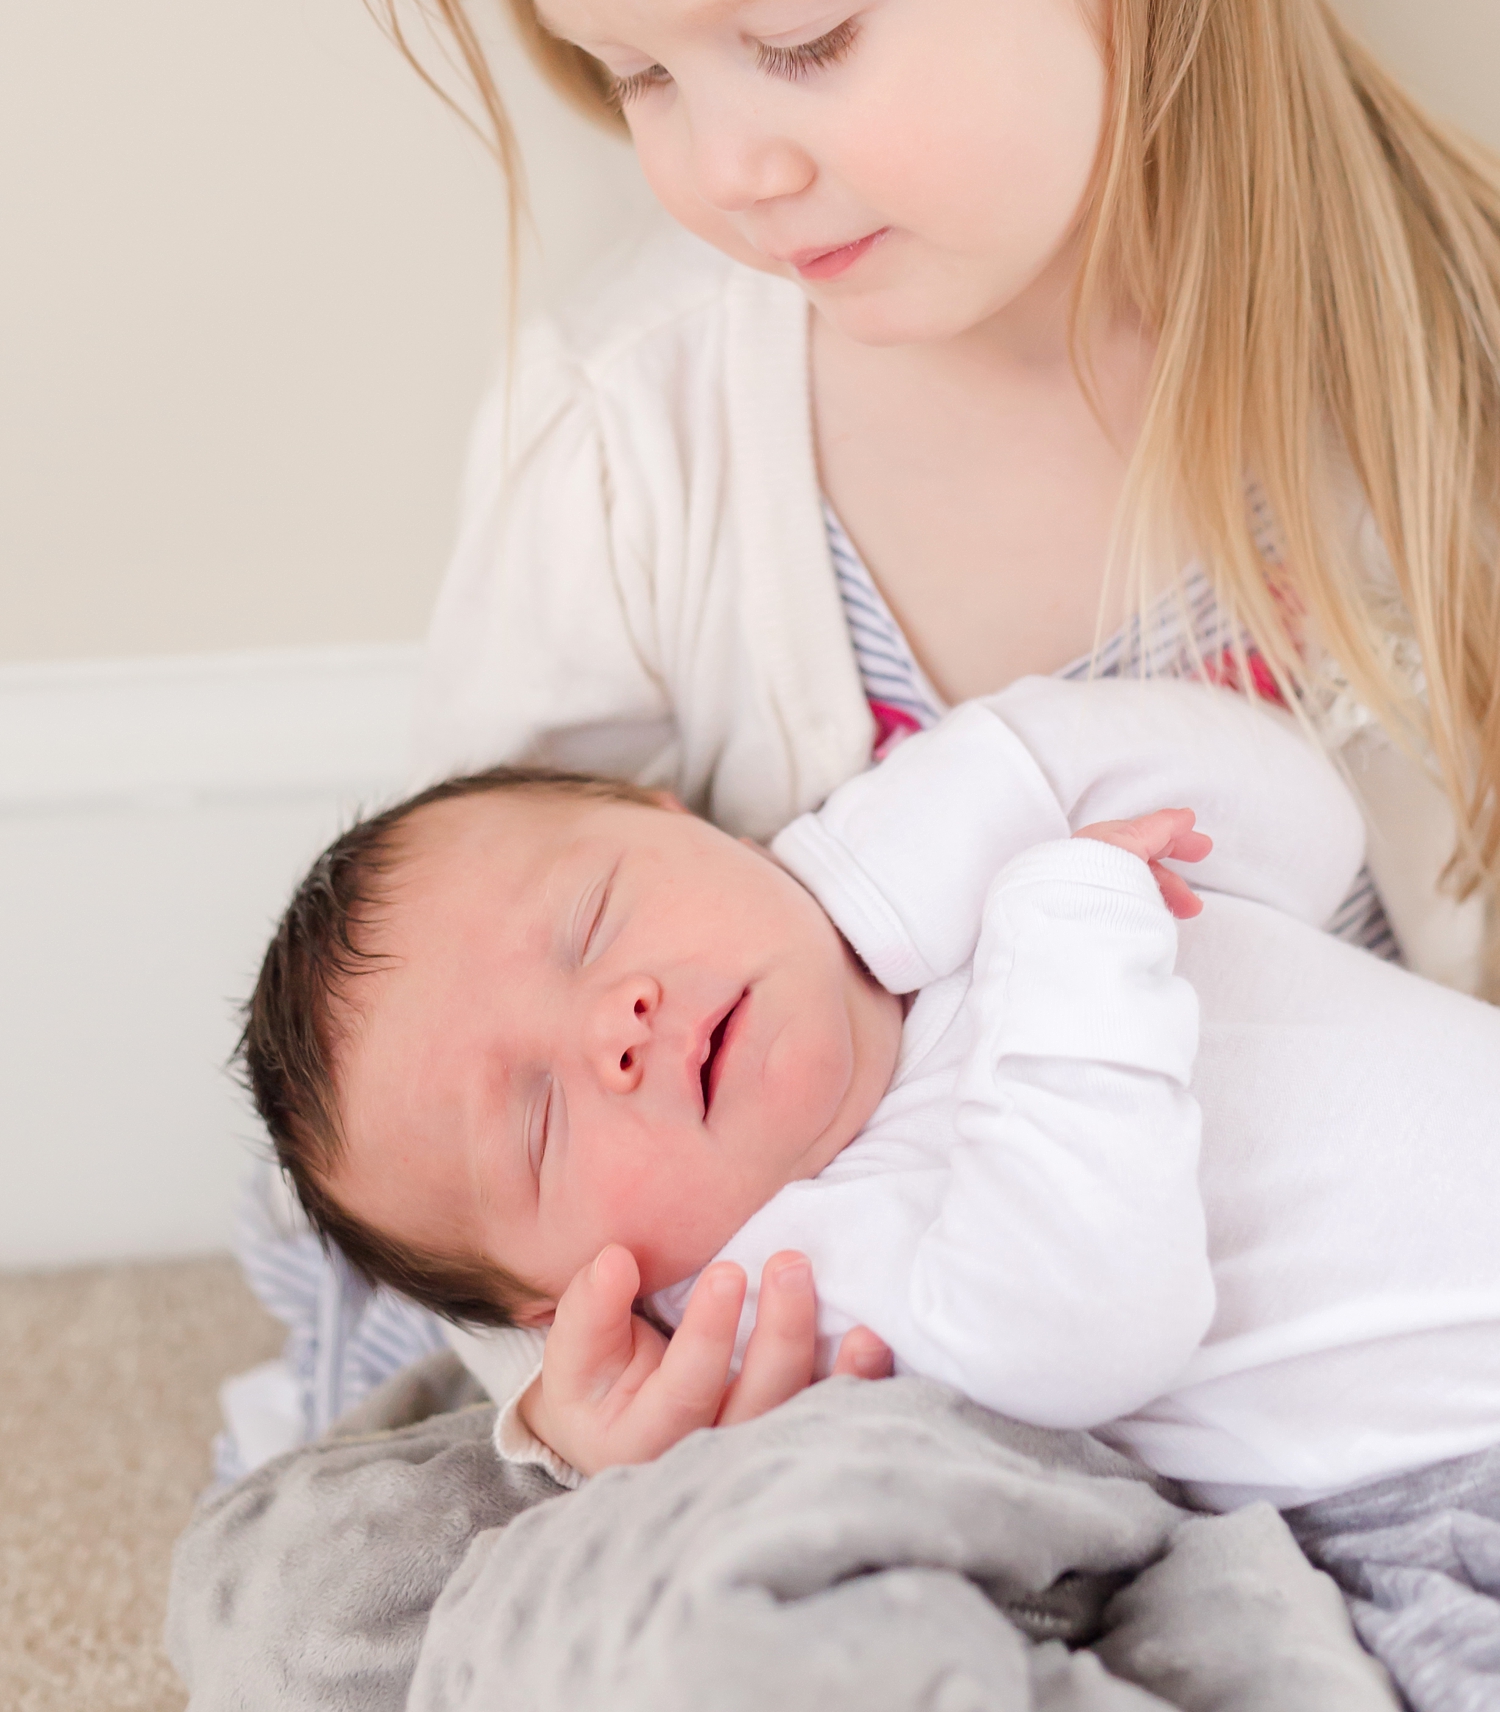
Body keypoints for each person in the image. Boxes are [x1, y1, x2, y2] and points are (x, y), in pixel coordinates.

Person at [229, 0, 1500, 1471]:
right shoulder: (633, 444)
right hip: (913, 1400)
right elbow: (475, 1101)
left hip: (1372, 1368)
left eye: (805, 39)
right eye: (638, 71)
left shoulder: (1432, 367)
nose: (724, 163)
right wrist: (577, 1419)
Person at [239, 675, 1500, 1709]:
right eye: (538, 1118)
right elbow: (1085, 1323)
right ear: (563, 1301)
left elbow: (1303, 821)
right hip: (1436, 1470)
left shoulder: (922, 861)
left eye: (592, 918)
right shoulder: (800, 1266)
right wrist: (1064, 933)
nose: (613, 1029)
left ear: (675, 819)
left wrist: (961, 808)